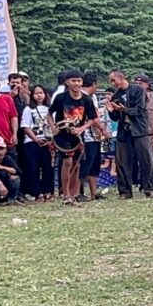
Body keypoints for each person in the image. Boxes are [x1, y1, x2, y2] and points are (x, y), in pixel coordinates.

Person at [49, 70, 99, 205]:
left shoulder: (86, 99)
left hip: (77, 137)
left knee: (76, 165)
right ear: (67, 82)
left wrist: (82, 128)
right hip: (62, 136)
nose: (76, 83)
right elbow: (49, 113)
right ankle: (65, 194)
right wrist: (53, 127)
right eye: (73, 81)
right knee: (67, 162)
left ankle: (73, 194)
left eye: (79, 81)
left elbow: (92, 118)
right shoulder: (61, 98)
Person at [106, 70, 153, 199]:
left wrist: (125, 110)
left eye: (114, 80)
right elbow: (116, 117)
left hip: (139, 129)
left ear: (121, 77)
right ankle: (125, 191)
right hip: (124, 132)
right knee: (122, 162)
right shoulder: (116, 96)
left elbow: (139, 109)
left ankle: (149, 188)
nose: (113, 83)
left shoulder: (138, 90)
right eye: (111, 81)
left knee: (146, 160)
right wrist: (111, 111)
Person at [20, 85, 54, 201]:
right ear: (32, 95)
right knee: (33, 168)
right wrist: (35, 139)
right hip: (31, 142)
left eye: (41, 93)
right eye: (36, 93)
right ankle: (36, 192)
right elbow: (25, 127)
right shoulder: (29, 109)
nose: (39, 95)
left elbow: (53, 125)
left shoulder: (50, 109)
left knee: (47, 167)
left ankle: (48, 191)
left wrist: (51, 140)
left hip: (47, 142)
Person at [79, 74, 107, 202]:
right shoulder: (82, 97)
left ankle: (93, 193)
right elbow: (92, 118)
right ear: (94, 84)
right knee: (84, 166)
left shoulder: (93, 97)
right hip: (85, 137)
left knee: (94, 166)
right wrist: (102, 128)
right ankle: (78, 193)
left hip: (95, 137)